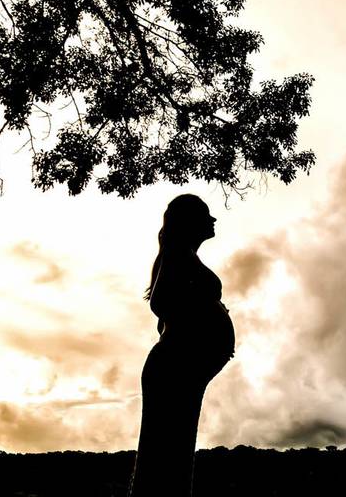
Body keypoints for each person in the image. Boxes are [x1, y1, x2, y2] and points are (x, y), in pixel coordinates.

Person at [129, 194, 236, 497]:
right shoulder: (178, 253)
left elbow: (167, 315)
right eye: (205, 214)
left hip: (180, 365)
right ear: (188, 222)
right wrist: (202, 317)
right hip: (175, 367)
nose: (212, 220)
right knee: (167, 452)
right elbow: (162, 303)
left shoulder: (183, 256)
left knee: (176, 449)